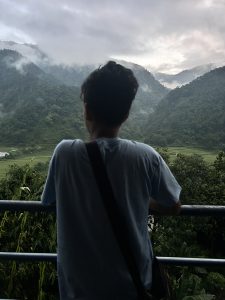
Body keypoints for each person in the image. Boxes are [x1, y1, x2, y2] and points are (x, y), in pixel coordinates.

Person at [41, 61, 181, 300]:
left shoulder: (64, 153)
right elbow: (173, 205)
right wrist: (144, 202)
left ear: (87, 110)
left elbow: (49, 201)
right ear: (126, 114)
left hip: (78, 290)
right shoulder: (146, 156)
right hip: (132, 289)